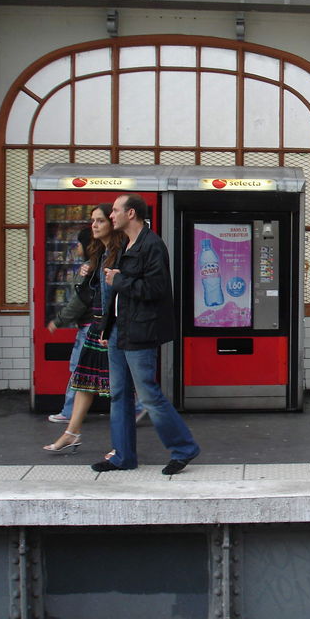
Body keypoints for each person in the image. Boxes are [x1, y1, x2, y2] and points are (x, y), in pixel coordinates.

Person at [92, 193, 200, 475]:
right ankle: (123, 456)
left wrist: (120, 279)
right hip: (120, 331)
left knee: (149, 396)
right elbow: (116, 298)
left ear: (131, 214)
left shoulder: (152, 246)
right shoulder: (125, 245)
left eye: (115, 211)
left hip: (140, 332)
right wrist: (106, 328)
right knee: (118, 395)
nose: (110, 215)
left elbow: (155, 290)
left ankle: (184, 449)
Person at [43, 205, 127, 453]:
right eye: (93, 221)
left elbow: (118, 293)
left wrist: (108, 327)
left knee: (120, 389)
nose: (95, 225)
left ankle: (121, 444)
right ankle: (71, 432)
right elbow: (88, 291)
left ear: (113, 224)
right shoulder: (100, 255)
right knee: (83, 381)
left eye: (101, 220)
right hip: (98, 327)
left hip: (111, 328)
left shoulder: (121, 253)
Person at [46, 227, 94, 425]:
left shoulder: (89, 269)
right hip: (96, 326)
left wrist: (58, 320)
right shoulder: (92, 266)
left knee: (78, 369)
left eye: (79, 243)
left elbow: (78, 302)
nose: (76, 247)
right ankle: (139, 405)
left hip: (88, 328)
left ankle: (68, 412)